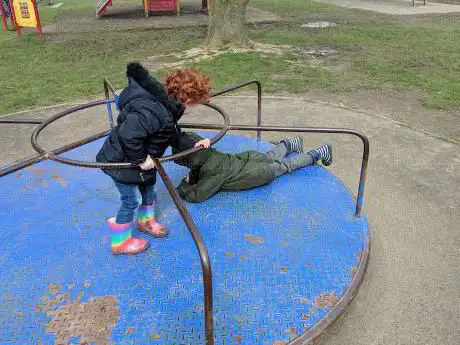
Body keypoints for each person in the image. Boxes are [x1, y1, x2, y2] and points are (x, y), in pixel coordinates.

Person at [96, 64, 211, 255]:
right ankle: (120, 241)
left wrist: (193, 144)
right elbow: (128, 135)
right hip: (121, 161)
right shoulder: (152, 110)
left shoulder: (168, 105)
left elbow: (170, 133)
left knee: (149, 191)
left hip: (144, 160)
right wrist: (141, 159)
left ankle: (146, 221)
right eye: (197, 101)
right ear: (187, 98)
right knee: (131, 200)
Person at [173, 132, 333, 203]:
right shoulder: (210, 155)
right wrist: (193, 176)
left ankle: (317, 153)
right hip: (248, 159)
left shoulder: (212, 171)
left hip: (256, 173)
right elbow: (198, 165)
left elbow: (198, 195)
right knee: (270, 156)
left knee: (285, 165)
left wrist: (183, 186)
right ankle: (291, 143)